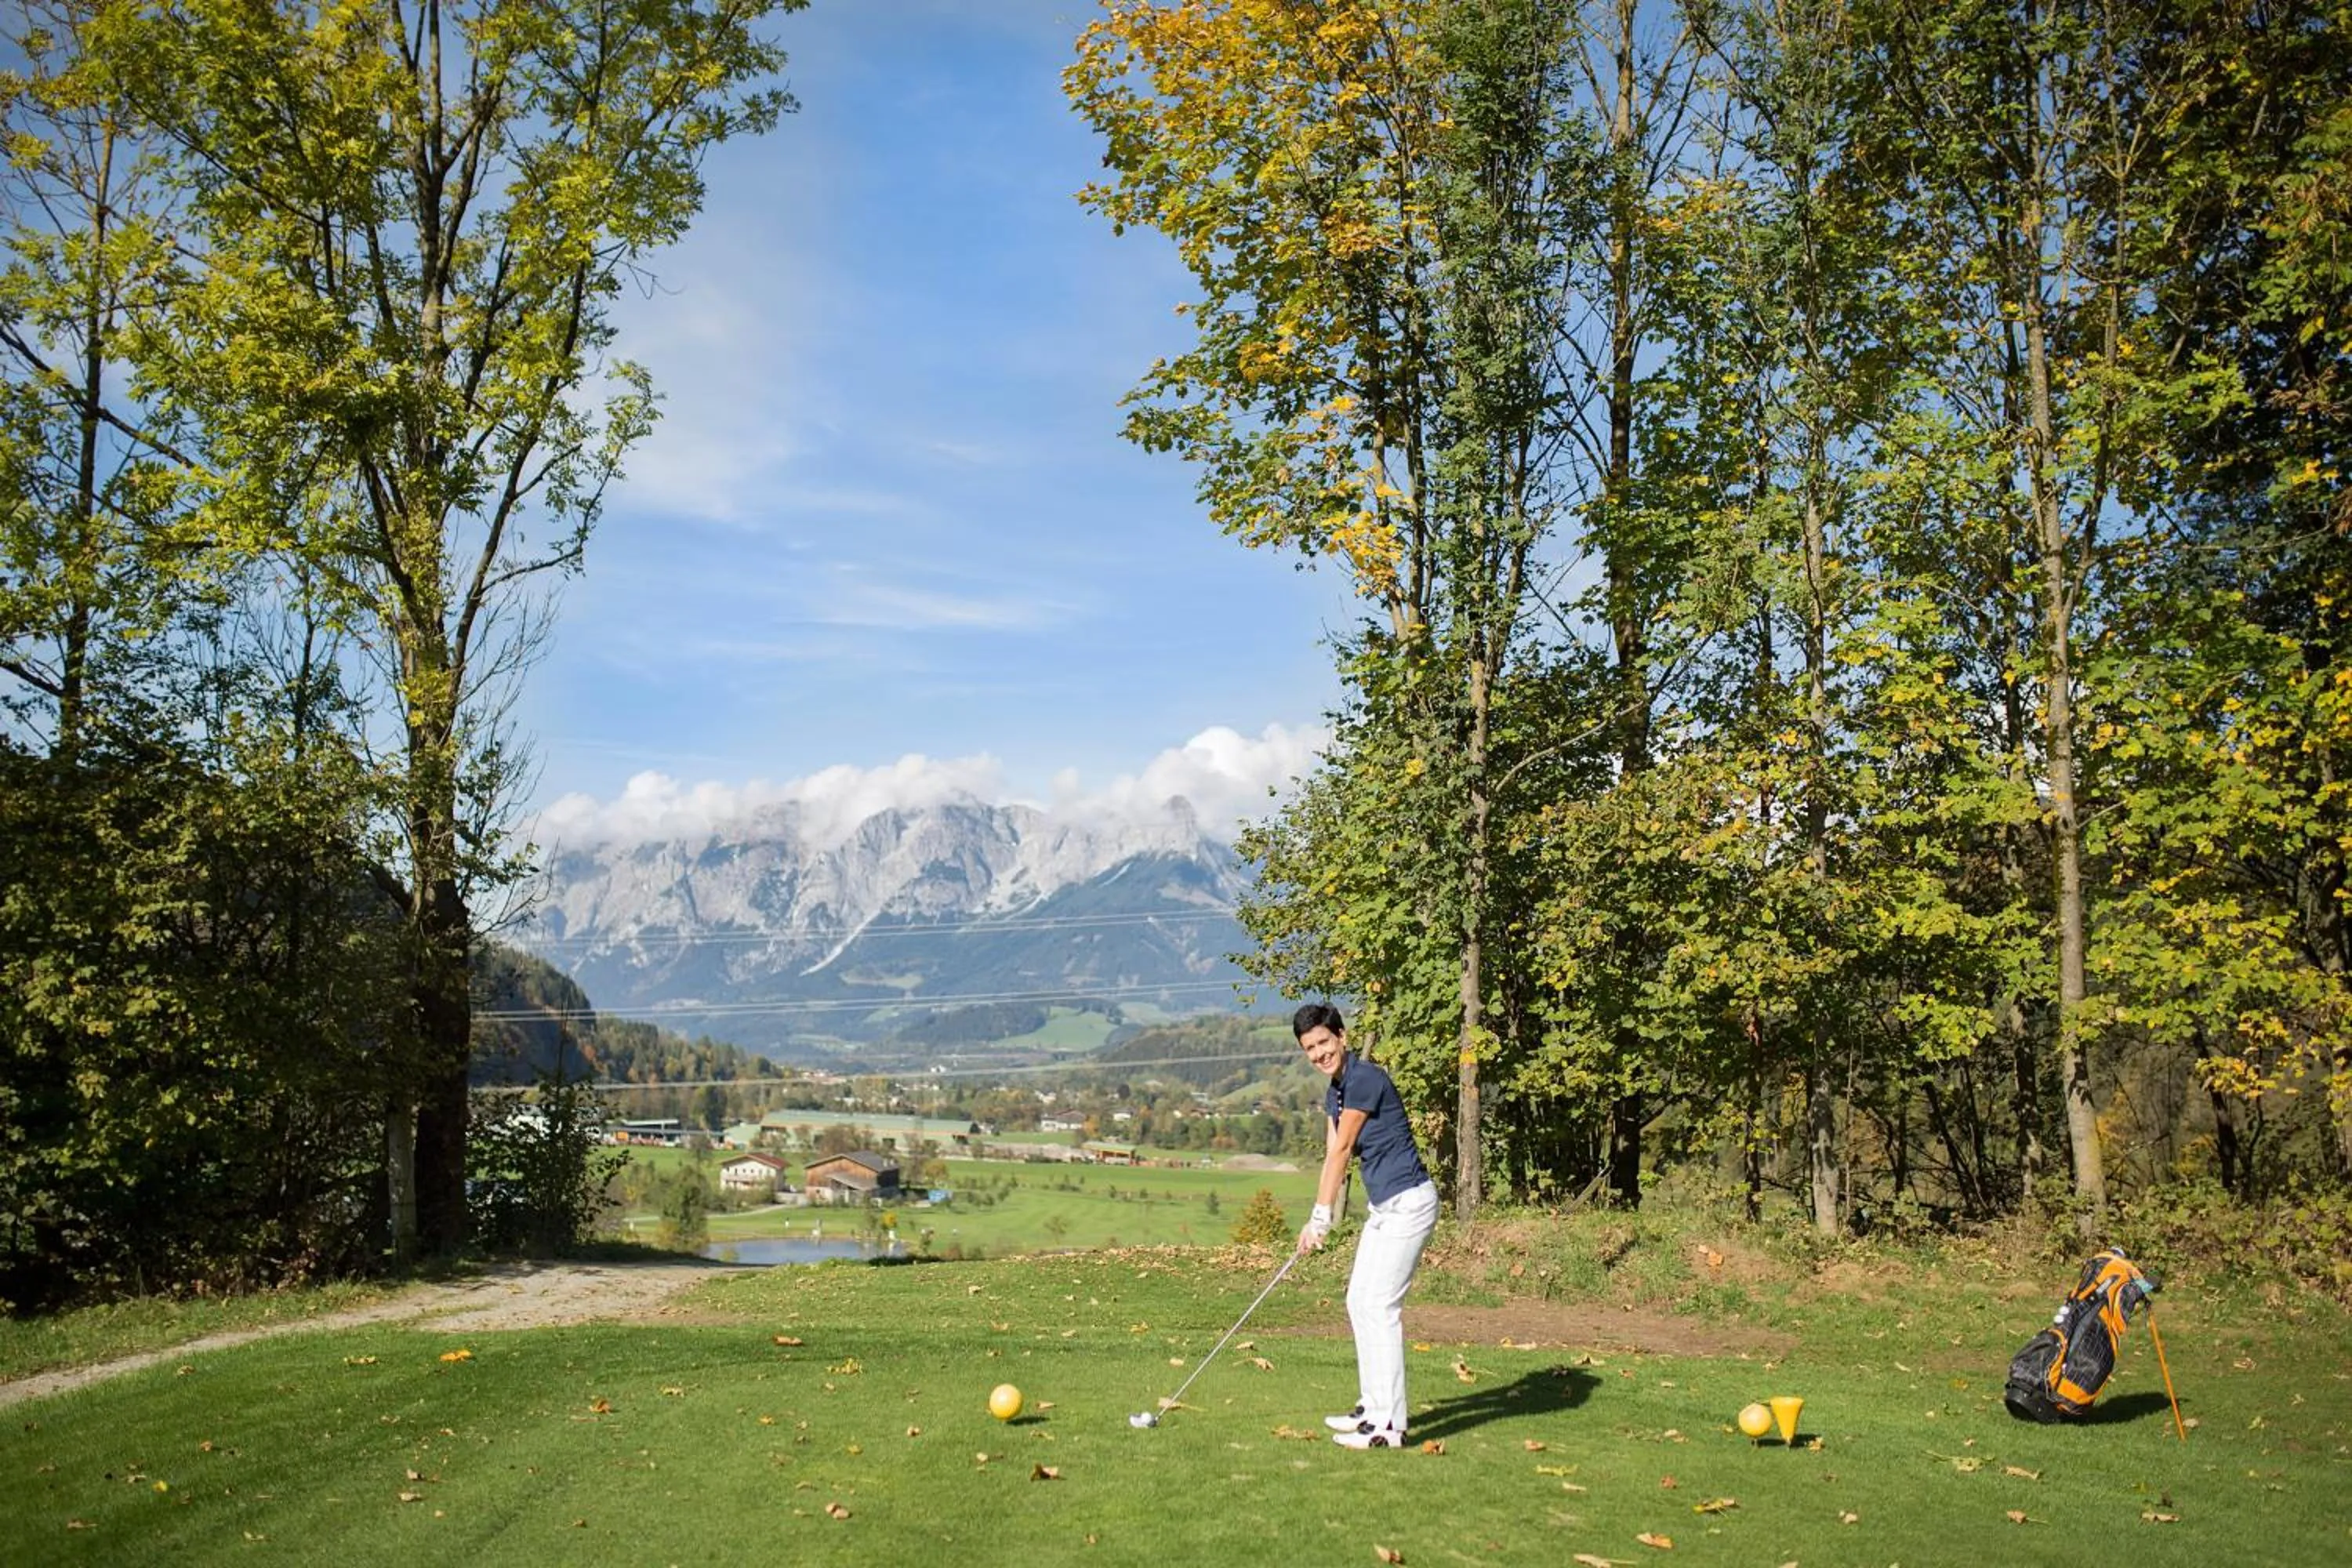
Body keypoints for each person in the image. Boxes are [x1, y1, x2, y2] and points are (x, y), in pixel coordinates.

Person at [1292, 1002, 1440, 1450]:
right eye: (1309, 1049)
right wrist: (1318, 1220)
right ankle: (1371, 1409)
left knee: (1380, 1308)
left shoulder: (1365, 1079)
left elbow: (1343, 1150)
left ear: (1342, 1036)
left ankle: (1388, 1428)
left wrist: (1321, 1216)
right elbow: (1329, 1155)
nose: (1319, 1054)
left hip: (1410, 1203)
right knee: (1360, 1301)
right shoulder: (1335, 1091)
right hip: (1385, 1208)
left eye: (1323, 1042)